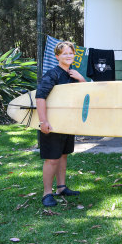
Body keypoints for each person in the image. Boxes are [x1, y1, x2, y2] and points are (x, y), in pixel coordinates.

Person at [36, 41, 86, 207]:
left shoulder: (73, 74)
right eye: (65, 53)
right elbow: (40, 96)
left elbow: (86, 95)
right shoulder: (53, 74)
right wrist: (43, 121)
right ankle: (47, 194)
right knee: (52, 159)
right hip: (52, 123)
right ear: (57, 56)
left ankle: (61, 188)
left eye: (71, 53)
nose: (69, 56)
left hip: (67, 123)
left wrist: (81, 79)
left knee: (63, 155)